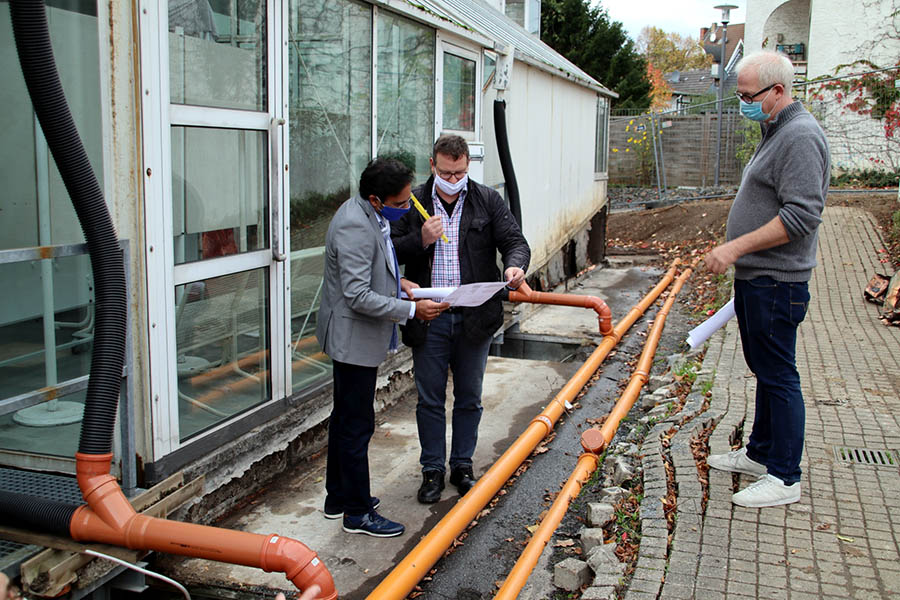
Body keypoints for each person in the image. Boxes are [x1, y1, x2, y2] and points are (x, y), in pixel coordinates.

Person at [704, 51, 829, 508]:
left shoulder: (799, 136)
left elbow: (801, 216)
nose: (742, 103)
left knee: (779, 375)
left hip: (778, 282)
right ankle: (760, 454)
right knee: (765, 371)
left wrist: (734, 247)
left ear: (777, 91)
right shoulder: (775, 130)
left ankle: (785, 477)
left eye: (747, 95)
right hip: (760, 279)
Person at [391, 134, 530, 503]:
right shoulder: (414, 202)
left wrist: (515, 267)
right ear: (433, 166)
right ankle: (433, 470)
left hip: (474, 315)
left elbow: (515, 241)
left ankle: (462, 465)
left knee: (469, 396)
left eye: (461, 174)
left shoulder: (486, 200)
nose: (454, 181)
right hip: (429, 314)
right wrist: (420, 238)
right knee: (430, 399)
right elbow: (387, 252)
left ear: (468, 167)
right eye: (447, 173)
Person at [316, 158, 448, 536]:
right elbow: (357, 295)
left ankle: (338, 496)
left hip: (355, 334)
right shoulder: (355, 225)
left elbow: (379, 263)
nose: (407, 208)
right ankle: (357, 513)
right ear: (377, 199)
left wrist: (400, 283)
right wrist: (411, 310)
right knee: (357, 425)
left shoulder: (366, 212)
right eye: (402, 202)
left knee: (345, 419)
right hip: (352, 337)